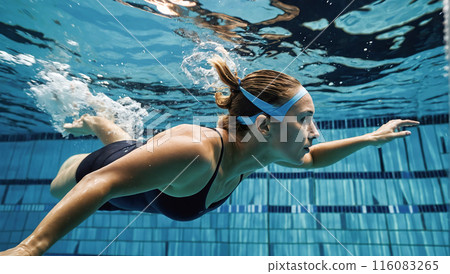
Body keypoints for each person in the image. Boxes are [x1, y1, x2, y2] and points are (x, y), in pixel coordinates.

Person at [0, 56, 419, 255]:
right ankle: (93, 123)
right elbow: (101, 182)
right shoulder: (197, 148)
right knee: (74, 178)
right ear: (266, 126)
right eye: (307, 119)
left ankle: (98, 120)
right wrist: (30, 249)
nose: (315, 131)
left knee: (129, 146)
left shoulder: (260, 154)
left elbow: (311, 158)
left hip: (145, 168)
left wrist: (370, 139)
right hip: (91, 172)